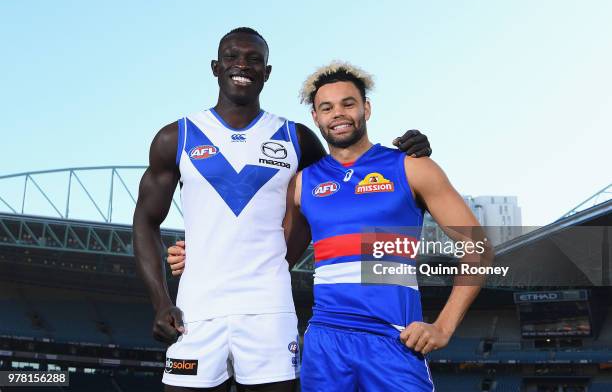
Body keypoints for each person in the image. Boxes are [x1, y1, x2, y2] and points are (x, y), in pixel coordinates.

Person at [133, 28, 432, 392]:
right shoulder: (175, 137)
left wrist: (404, 156)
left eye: (254, 59)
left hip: (269, 309)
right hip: (196, 310)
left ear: (267, 71)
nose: (242, 65)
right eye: (231, 56)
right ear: (215, 66)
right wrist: (160, 300)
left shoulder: (297, 138)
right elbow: (145, 222)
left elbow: (345, 180)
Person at [168, 61, 490, 391]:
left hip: (395, 339)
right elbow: (265, 250)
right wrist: (203, 254)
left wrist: (443, 327)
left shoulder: (411, 168)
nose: (338, 113)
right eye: (327, 107)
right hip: (325, 344)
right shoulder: (302, 183)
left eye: (348, 104)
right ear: (316, 117)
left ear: (366, 108)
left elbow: (478, 248)